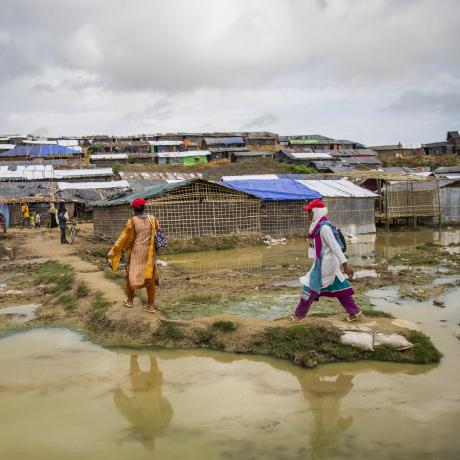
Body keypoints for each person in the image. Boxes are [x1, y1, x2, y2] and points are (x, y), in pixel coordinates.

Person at [291, 198, 362, 322]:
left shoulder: (324, 228)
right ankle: (355, 312)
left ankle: (299, 315)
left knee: (310, 286)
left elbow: (335, 247)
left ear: (317, 212)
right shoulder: (317, 226)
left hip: (326, 264)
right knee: (340, 287)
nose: (308, 215)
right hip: (324, 263)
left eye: (310, 212)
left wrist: (345, 264)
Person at [108, 198, 160, 313]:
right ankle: (150, 306)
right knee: (149, 277)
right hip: (150, 252)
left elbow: (125, 238)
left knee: (130, 274)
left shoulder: (132, 221)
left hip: (136, 252)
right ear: (143, 208)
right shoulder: (153, 219)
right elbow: (157, 233)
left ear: (134, 209)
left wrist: (115, 250)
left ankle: (130, 301)